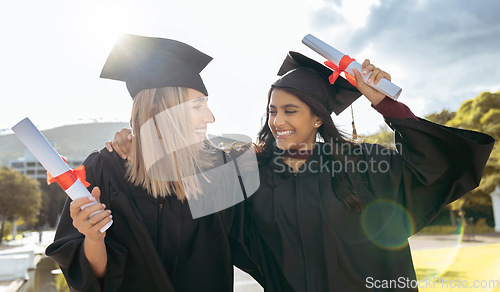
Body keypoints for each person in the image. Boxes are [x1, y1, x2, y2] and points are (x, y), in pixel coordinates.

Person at [109, 51, 495, 291]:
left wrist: (385, 104)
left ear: (317, 118)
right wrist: (138, 140)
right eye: (273, 111)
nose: (277, 121)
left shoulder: (361, 167)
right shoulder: (251, 172)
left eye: (290, 111)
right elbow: (181, 179)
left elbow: (435, 164)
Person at [46, 34, 261, 292]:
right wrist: (93, 238)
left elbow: (263, 251)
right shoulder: (104, 170)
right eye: (197, 106)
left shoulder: (219, 169)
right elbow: (94, 281)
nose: (210, 117)